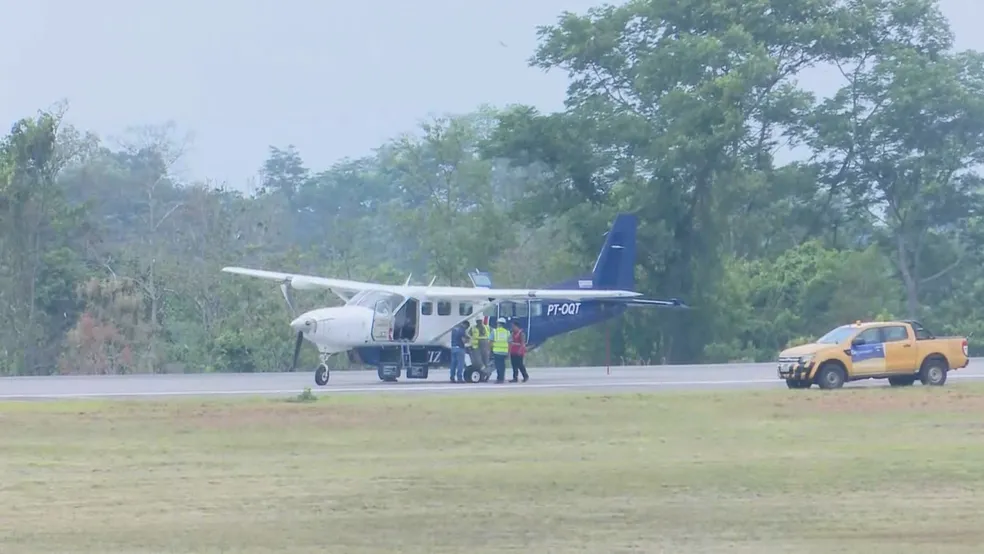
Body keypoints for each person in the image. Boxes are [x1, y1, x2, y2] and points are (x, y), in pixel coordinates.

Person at [490, 317, 510, 383]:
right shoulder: (507, 332)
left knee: (498, 366)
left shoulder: (494, 331)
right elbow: (510, 343)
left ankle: (500, 379)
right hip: (504, 352)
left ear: (498, 323)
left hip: (497, 351)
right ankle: (502, 378)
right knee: (502, 366)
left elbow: (490, 342)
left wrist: (490, 350)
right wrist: (508, 352)